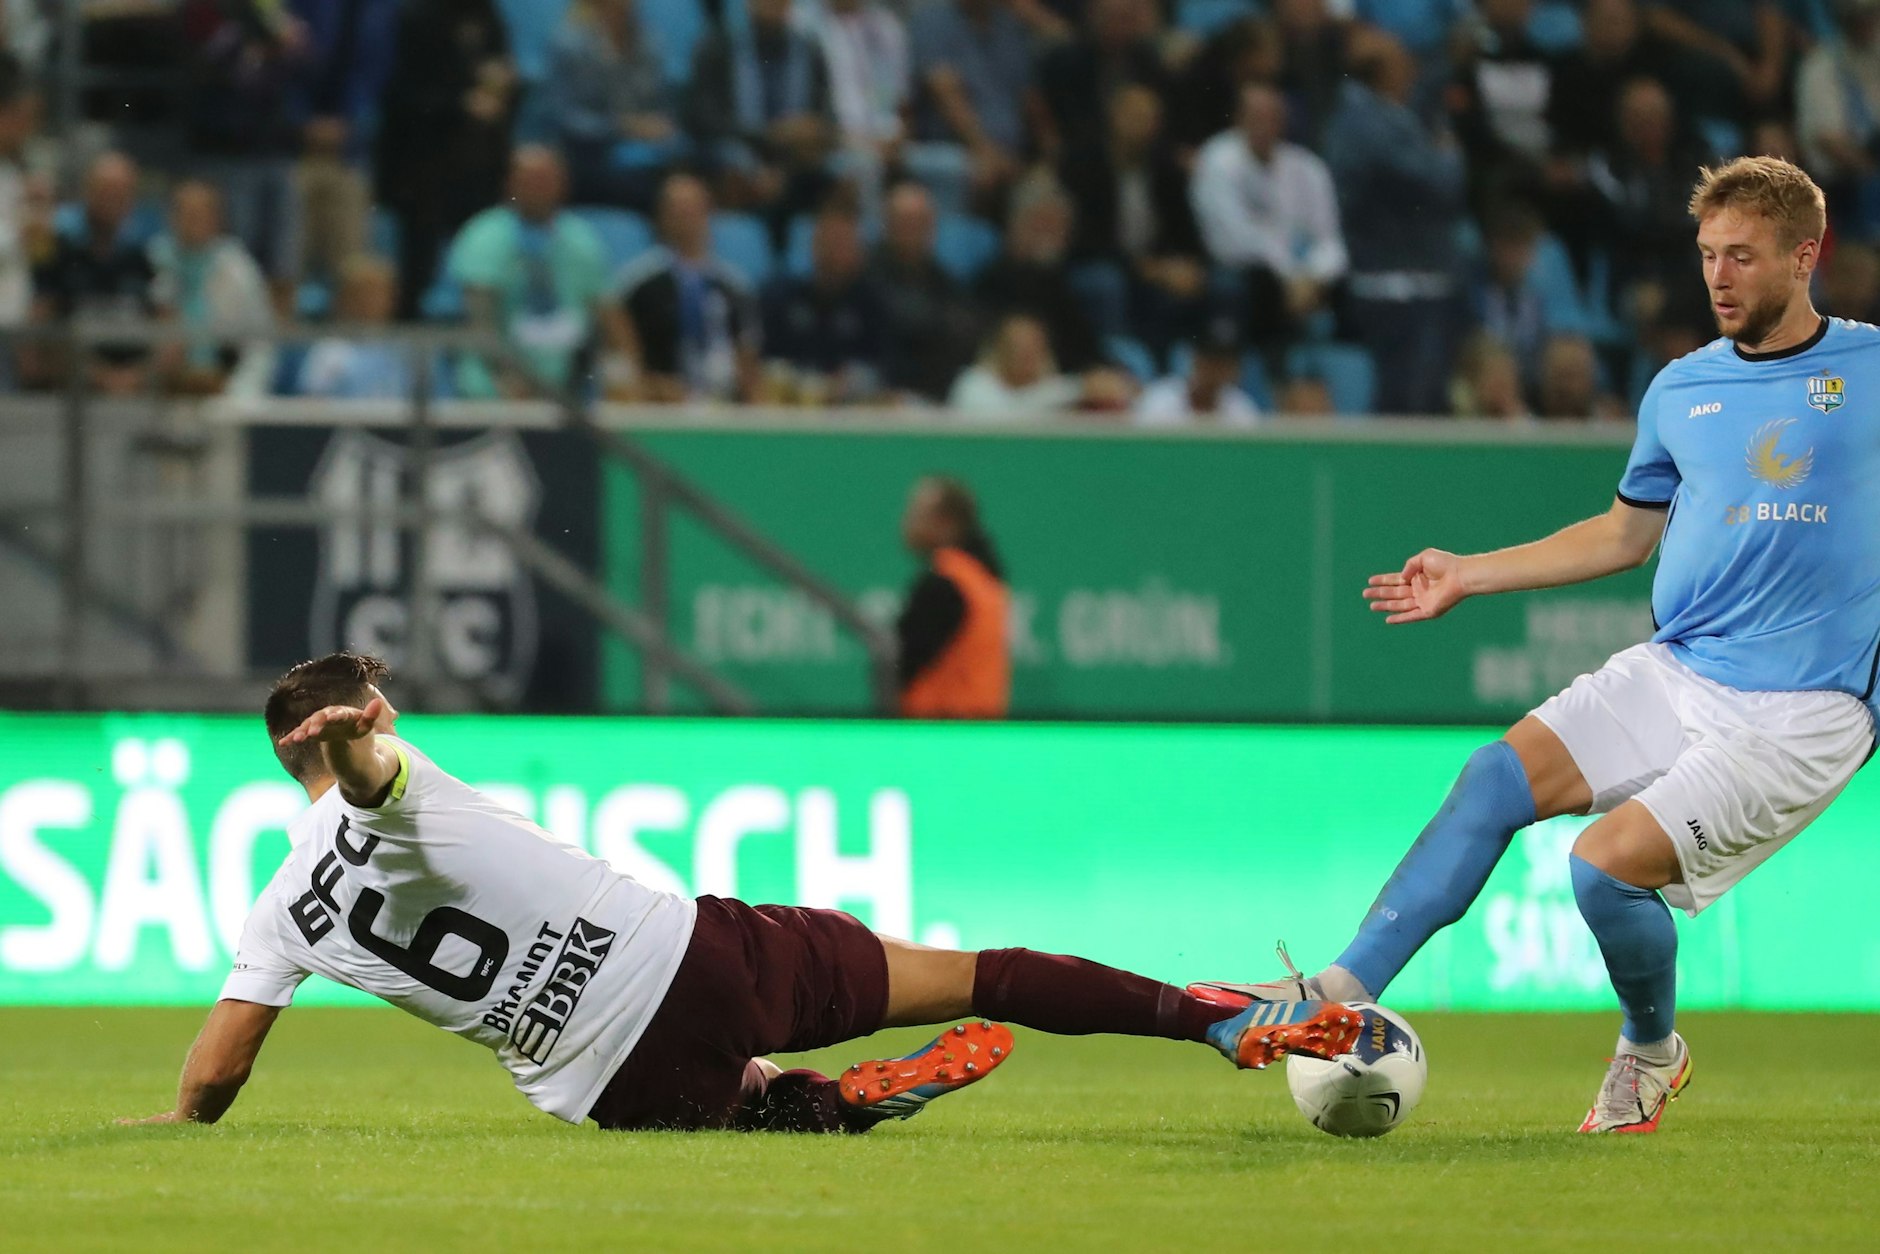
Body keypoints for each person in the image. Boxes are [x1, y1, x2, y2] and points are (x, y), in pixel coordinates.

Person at [1199, 156, 1880, 1135]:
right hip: (1679, 665)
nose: (1717, 276)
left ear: (1804, 254)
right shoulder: (1680, 390)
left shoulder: (1866, 370)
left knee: (1601, 868)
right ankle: (1333, 993)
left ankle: (1648, 1052)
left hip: (1800, 709)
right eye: (1704, 256)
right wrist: (1471, 572)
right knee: (1489, 780)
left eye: (1741, 255)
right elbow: (1620, 535)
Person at [120, 653, 1368, 1131]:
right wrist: (351, 744)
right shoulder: (392, 773)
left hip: (606, 1081)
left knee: (736, 1111)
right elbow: (371, 778)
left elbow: (225, 1058)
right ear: (347, 729)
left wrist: (183, 1126)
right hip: (699, 959)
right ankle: (1204, 1017)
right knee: (976, 973)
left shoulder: (281, 904)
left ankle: (823, 1107)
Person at [1323, 28, 1467, 416]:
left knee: (1416, 399)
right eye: (1405, 64)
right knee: (1407, 405)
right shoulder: (1370, 125)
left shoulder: (1377, 118)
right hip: (1398, 285)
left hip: (1403, 282)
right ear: (1386, 73)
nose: (1412, 72)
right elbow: (1443, 184)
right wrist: (1449, 153)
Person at [448, 146, 631, 398]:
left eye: (545, 179)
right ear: (510, 184)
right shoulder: (484, 235)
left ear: (562, 184)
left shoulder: (581, 239)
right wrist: (509, 377)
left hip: (566, 388)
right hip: (494, 386)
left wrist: (626, 374)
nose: (537, 188)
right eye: (528, 180)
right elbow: (480, 320)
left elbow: (610, 315)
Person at [1190, 83, 1347, 372]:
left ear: (1283, 122)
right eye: (1255, 117)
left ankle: (1323, 385)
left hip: (1301, 277)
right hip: (1244, 270)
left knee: (1351, 289)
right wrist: (1289, 277)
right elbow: (1232, 241)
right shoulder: (1218, 160)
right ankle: (1266, 376)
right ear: (1238, 119)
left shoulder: (1307, 167)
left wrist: (1314, 276)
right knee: (1250, 287)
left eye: (1271, 117)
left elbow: (1329, 238)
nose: (1264, 126)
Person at [374, 0, 514, 320]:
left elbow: (499, 68)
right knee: (417, 272)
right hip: (422, 166)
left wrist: (504, 84)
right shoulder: (416, 16)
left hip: (478, 164)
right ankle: (408, 351)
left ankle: (479, 352)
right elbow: (400, 95)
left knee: (482, 269)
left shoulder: (487, 14)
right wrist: (460, 104)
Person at [616, 173, 762, 402]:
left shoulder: (734, 285)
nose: (687, 218)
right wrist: (649, 385)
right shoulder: (637, 284)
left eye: (694, 209)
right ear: (662, 217)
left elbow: (748, 353)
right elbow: (622, 353)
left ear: (709, 214)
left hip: (724, 402)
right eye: (678, 210)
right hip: (661, 402)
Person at [29, 152, 157, 394]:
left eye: (121, 192)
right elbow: (39, 330)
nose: (113, 199)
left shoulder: (145, 257)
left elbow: (169, 330)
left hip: (135, 390)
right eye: (106, 191)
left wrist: (135, 378)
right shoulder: (57, 252)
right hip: (69, 393)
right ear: (87, 191)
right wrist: (99, 377)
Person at [540, 0, 679, 211]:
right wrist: (620, 127)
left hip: (643, 151)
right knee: (643, 185)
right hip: (588, 151)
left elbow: (661, 105)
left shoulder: (650, 41)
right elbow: (564, 117)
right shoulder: (569, 44)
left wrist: (659, 127)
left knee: (685, 170)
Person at [149, 179, 277, 398]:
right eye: (186, 213)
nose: (193, 221)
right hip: (164, 386)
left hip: (226, 386)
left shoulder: (239, 268)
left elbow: (261, 344)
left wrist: (237, 393)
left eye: (201, 214)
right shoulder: (153, 260)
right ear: (172, 217)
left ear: (217, 219)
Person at [896, 476, 1010, 718]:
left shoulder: (945, 585)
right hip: (977, 729)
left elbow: (903, 660)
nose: (906, 523)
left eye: (917, 514)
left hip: (939, 731)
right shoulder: (983, 579)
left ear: (947, 522)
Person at [759, 202, 887, 403]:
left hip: (853, 410)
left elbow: (883, 366)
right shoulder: (782, 298)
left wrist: (849, 382)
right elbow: (766, 359)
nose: (835, 253)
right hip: (792, 405)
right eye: (829, 242)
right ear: (814, 246)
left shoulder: (873, 305)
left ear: (859, 252)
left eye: (844, 243)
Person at [868, 180, 979, 401]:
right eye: (905, 222)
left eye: (921, 222)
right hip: (875, 400)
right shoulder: (862, 278)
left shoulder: (946, 284)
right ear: (886, 224)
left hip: (933, 400)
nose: (913, 230)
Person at [1133, 321, 1260, 427]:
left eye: (1225, 363)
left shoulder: (1242, 408)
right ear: (1195, 359)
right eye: (1210, 360)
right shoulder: (1159, 400)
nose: (1216, 370)